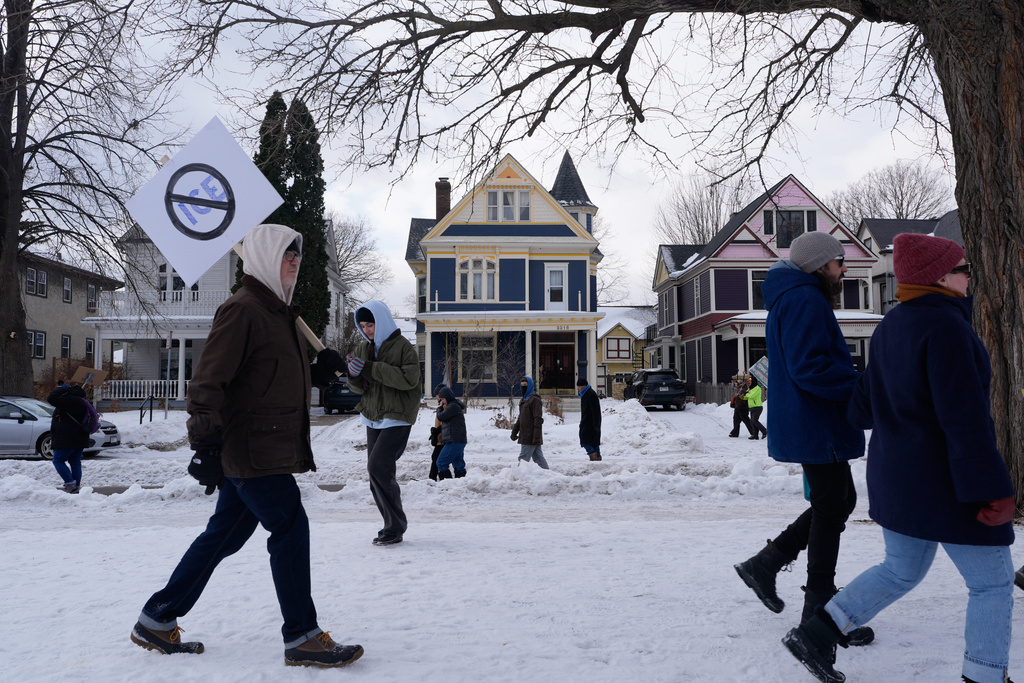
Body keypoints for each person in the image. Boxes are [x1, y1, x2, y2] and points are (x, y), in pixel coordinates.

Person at [783, 233, 1016, 683]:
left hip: (896, 476)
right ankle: (985, 676)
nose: (970, 276)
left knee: (900, 570)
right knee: (991, 583)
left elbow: (861, 408)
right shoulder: (947, 329)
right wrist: (992, 489)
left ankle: (816, 634)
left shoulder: (891, 325)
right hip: (947, 483)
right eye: (964, 269)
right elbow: (964, 421)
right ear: (941, 278)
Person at [130, 224, 363, 668]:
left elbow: (269, 380)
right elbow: (207, 382)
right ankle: (302, 635)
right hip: (252, 451)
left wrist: (318, 372)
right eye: (285, 254)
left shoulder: (281, 315)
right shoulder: (242, 310)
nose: (295, 261)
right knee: (290, 527)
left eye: (298, 255)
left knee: (224, 536)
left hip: (262, 448)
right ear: (261, 258)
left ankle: (156, 618)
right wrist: (206, 443)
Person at [734, 231, 873, 645]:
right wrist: (860, 385)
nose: (843, 269)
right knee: (833, 507)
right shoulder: (805, 299)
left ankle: (767, 563)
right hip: (818, 422)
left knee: (838, 502)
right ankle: (817, 611)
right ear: (819, 266)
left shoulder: (793, 297)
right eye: (839, 263)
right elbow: (809, 368)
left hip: (812, 420)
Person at [346, 300, 421, 546]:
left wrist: (369, 368)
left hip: (397, 417)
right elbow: (357, 387)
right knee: (376, 473)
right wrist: (354, 374)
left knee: (378, 467)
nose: (367, 330)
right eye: (363, 326)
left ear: (384, 321)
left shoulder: (404, 348)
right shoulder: (362, 348)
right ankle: (391, 526)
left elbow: (408, 379)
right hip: (373, 416)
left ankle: (395, 526)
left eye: (371, 324)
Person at [47, 380, 90, 493]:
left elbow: (51, 398)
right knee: (75, 462)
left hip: (66, 438)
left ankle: (70, 484)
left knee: (58, 460)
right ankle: (76, 485)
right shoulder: (84, 402)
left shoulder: (70, 401)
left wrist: (60, 388)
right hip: (80, 438)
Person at [511, 376, 548, 469]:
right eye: (522, 385)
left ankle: (519, 476)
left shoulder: (535, 400)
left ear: (530, 386)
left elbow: (538, 419)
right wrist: (514, 431)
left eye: (525, 385)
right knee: (538, 458)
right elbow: (521, 418)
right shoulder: (524, 400)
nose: (523, 387)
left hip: (530, 435)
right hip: (525, 434)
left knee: (523, 458)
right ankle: (547, 474)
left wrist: (536, 436)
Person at [434, 385, 467, 479]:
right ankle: (460, 483)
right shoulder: (454, 406)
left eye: (443, 399)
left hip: (454, 440)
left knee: (441, 462)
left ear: (448, 397)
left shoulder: (453, 406)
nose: (442, 401)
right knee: (458, 464)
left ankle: (447, 484)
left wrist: (439, 408)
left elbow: (441, 417)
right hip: (458, 439)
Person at [577, 376, 602, 461]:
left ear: (583, 386)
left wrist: (595, 424)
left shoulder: (590, 394)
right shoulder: (586, 393)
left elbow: (595, 410)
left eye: (579, 386)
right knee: (593, 440)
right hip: (590, 422)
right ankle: (597, 457)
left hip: (590, 422)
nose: (578, 388)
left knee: (585, 440)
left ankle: (593, 456)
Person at [744, 375, 767, 440]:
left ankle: (764, 430)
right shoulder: (750, 388)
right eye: (749, 382)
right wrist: (743, 396)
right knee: (752, 421)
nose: (749, 383)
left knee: (754, 420)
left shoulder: (757, 388)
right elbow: (747, 396)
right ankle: (755, 435)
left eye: (750, 381)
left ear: (753, 381)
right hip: (752, 407)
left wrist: (746, 394)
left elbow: (752, 396)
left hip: (757, 406)